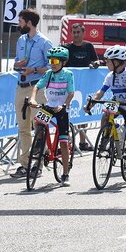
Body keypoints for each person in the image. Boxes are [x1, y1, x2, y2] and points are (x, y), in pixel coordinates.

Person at [90, 45, 126, 186]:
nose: (106, 63)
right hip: (116, 103)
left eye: (109, 61)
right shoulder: (109, 76)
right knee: (106, 113)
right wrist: (91, 103)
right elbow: (101, 92)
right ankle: (106, 136)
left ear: (119, 62)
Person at [11, 8, 52, 178]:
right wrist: (17, 65)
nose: (18, 25)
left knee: (40, 127)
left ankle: (39, 163)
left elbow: (52, 67)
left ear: (29, 23)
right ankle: (25, 164)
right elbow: (15, 62)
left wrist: (33, 69)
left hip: (38, 88)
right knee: (23, 128)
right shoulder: (21, 40)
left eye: (20, 21)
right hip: (21, 87)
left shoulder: (44, 42)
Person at [29, 47, 75, 186]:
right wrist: (32, 99)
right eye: (50, 60)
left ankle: (65, 173)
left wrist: (65, 104)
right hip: (50, 106)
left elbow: (71, 93)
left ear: (63, 63)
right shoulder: (48, 74)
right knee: (38, 121)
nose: (52, 63)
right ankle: (40, 143)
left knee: (63, 143)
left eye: (55, 61)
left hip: (62, 108)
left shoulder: (68, 74)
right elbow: (37, 86)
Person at [64, 22, 100, 152]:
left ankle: (83, 142)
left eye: (78, 32)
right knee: (68, 113)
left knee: (82, 113)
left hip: (85, 86)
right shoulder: (67, 47)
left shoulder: (88, 46)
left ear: (83, 33)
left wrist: (95, 64)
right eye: (74, 32)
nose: (76, 35)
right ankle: (67, 141)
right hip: (70, 87)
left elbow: (96, 60)